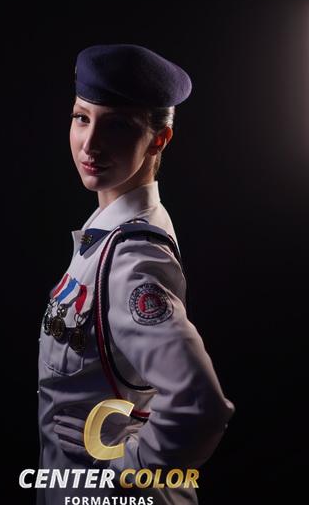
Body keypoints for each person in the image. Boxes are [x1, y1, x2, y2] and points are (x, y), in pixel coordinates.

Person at [37, 44, 235, 505]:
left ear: (159, 139)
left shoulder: (132, 257)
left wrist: (126, 470)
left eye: (117, 125)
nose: (90, 144)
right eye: (82, 117)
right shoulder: (111, 229)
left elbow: (199, 406)